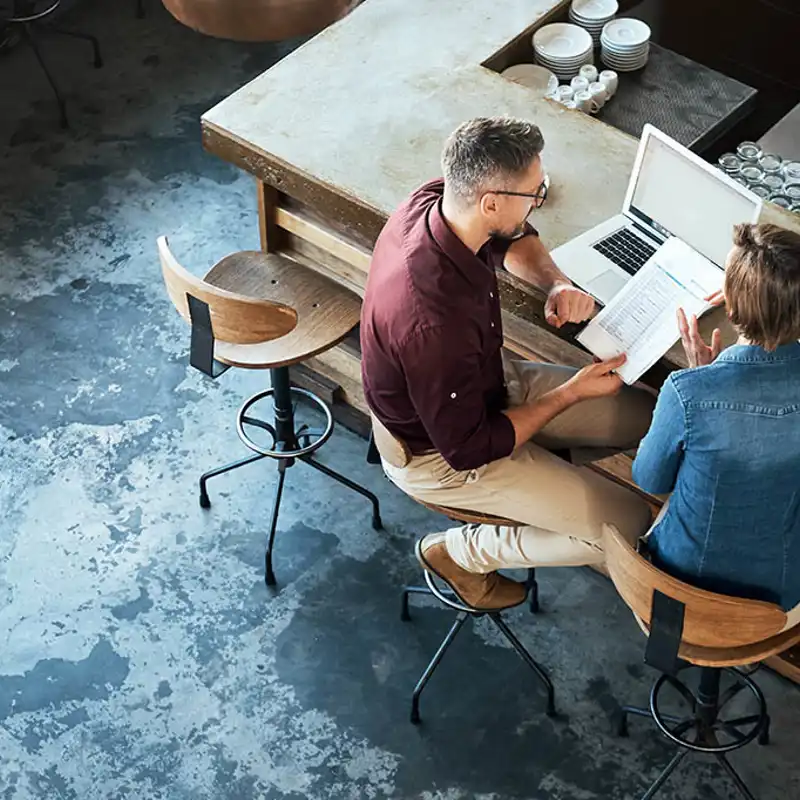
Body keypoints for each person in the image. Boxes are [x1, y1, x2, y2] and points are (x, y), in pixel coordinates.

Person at [361, 116, 656, 611]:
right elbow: (470, 448)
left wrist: (557, 283)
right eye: (533, 193)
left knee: (648, 418)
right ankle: (461, 554)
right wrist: (570, 395)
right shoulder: (433, 323)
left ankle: (544, 471)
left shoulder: (439, 200)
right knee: (628, 526)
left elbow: (513, 236)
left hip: (486, 385)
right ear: (490, 201)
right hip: (441, 453)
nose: (539, 200)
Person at [633, 222, 800, 626]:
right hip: (776, 605)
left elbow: (649, 480)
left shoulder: (687, 392)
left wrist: (699, 382)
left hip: (680, 597)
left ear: (730, 309)